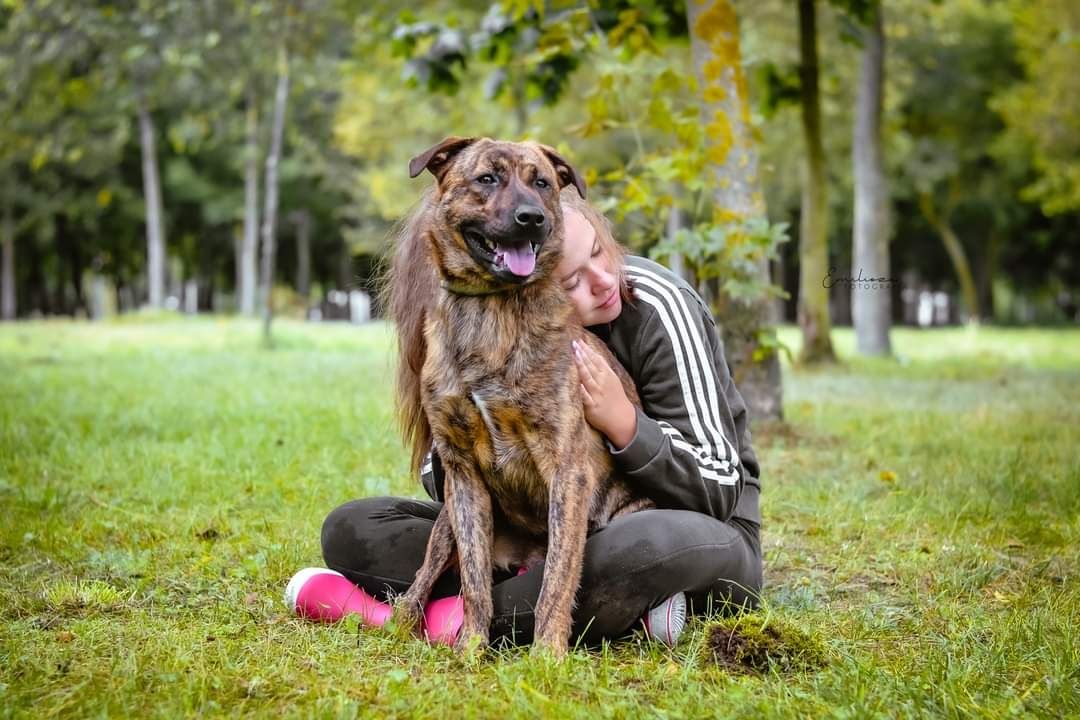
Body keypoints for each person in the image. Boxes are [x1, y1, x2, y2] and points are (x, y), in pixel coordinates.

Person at [303, 190, 763, 648]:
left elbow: (720, 489)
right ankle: (617, 610)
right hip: (530, 528)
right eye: (571, 282)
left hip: (681, 527)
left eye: (600, 251)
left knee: (643, 545)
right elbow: (443, 477)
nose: (602, 281)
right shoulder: (492, 325)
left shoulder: (657, 302)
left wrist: (625, 424)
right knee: (352, 527)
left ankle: (415, 617)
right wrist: (478, 414)